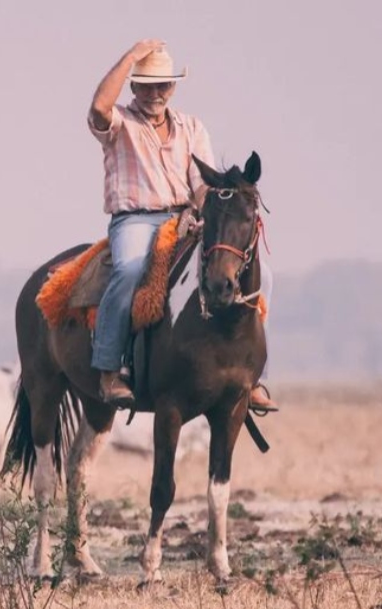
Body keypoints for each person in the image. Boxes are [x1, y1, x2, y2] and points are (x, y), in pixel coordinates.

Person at [87, 39, 277, 411]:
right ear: (134, 85)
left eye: (164, 85)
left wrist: (202, 211)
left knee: (262, 275)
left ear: (173, 87)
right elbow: (98, 107)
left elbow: (202, 182)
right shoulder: (121, 122)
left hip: (185, 217)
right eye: (147, 84)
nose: (156, 93)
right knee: (128, 270)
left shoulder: (192, 127)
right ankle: (109, 369)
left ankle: (253, 377)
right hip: (136, 219)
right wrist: (129, 57)